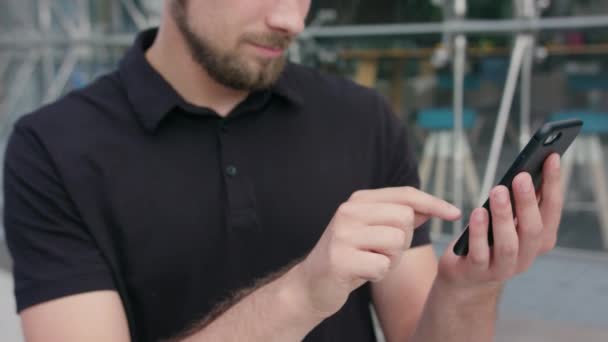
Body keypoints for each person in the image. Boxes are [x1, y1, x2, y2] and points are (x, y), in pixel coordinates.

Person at [3, 1, 564, 341]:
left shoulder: (363, 119)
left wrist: (469, 290)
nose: (291, 19)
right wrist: (301, 294)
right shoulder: (52, 148)